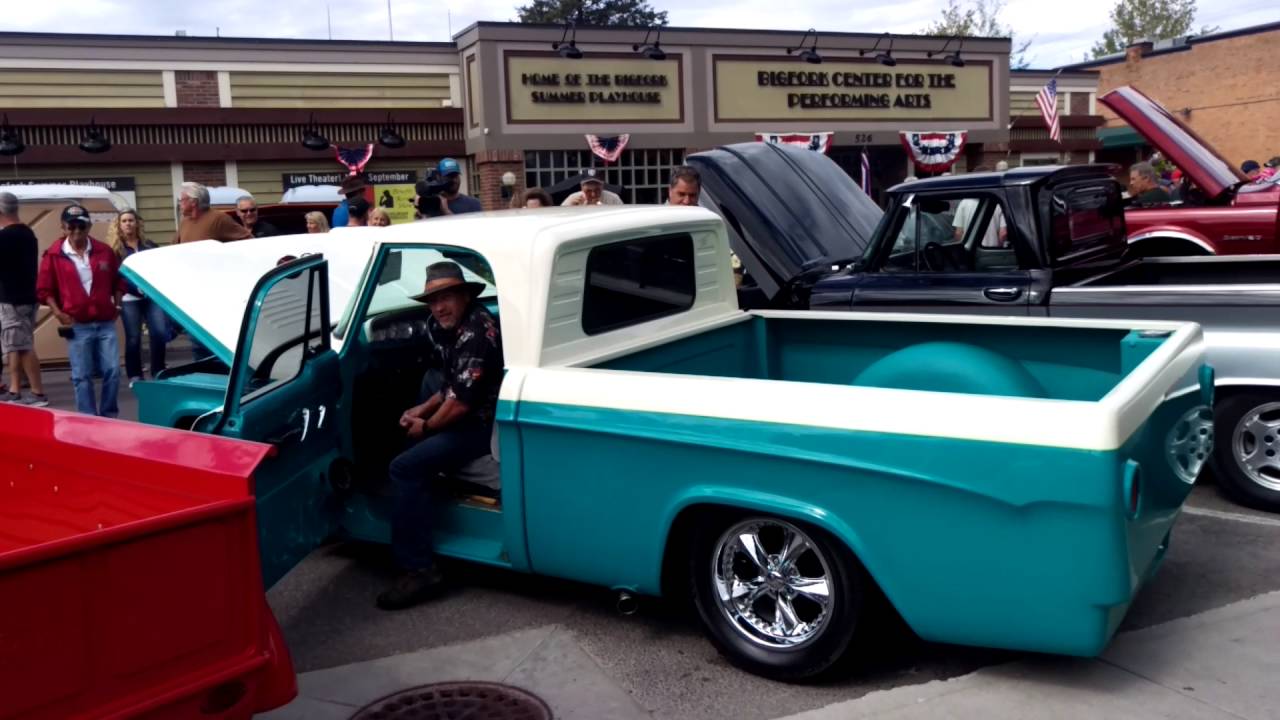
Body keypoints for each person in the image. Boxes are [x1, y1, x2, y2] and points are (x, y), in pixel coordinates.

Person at [378, 261, 502, 610]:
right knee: (409, 443)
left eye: (446, 297)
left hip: (480, 426)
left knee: (403, 467)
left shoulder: (477, 332)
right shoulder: (457, 327)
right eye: (433, 301)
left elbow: (462, 404)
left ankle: (418, 569)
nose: (438, 307)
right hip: (467, 415)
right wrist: (421, 411)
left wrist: (427, 426)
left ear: (464, 295)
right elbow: (450, 384)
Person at [36, 205, 125, 417]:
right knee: (81, 375)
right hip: (77, 323)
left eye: (81, 226)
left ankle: (108, 415)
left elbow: (119, 281)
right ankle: (87, 417)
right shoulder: (54, 254)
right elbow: (44, 289)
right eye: (71, 226)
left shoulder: (104, 251)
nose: (77, 231)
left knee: (113, 371)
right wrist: (58, 313)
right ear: (63, 227)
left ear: (89, 226)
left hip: (104, 321)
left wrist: (118, 305)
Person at [109, 210, 168, 386]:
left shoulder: (149, 246)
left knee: (159, 333)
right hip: (128, 297)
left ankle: (158, 370)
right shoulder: (115, 250)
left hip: (151, 296)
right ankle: (135, 374)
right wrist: (133, 289)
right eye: (124, 221)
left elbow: (159, 268)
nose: (128, 224)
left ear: (137, 223)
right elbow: (116, 276)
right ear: (119, 225)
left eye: (131, 220)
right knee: (133, 337)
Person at [0, 192, 48, 406]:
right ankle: (15, 389)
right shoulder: (28, 233)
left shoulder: (6, 237)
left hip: (13, 299)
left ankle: (37, 393)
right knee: (15, 345)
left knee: (23, 346)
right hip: (27, 296)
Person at [174, 182, 253, 244]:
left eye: (182, 200)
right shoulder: (184, 222)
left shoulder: (218, 219)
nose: (180, 203)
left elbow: (249, 240)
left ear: (193, 202)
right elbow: (173, 247)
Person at [419, 158, 484, 217]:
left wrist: (446, 211)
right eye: (449, 176)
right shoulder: (431, 204)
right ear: (438, 177)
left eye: (455, 176)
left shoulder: (474, 204)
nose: (454, 180)